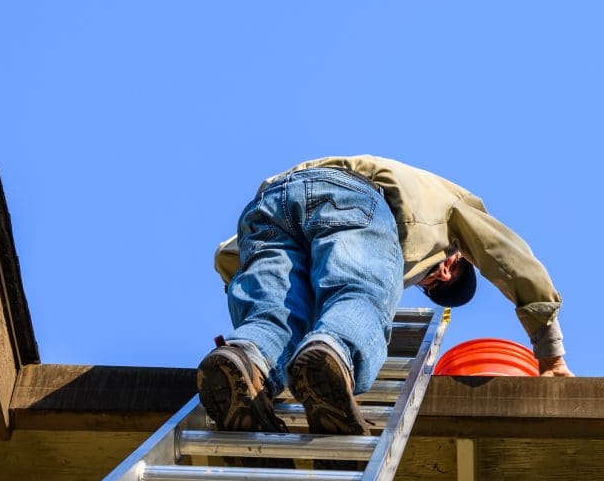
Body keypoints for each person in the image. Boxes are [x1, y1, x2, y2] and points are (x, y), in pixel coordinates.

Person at [196, 155, 572, 444]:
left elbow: (230, 259)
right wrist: (550, 354)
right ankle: (334, 353)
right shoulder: (454, 207)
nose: (439, 275)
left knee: (269, 317)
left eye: (431, 284)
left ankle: (248, 360)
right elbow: (507, 256)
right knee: (358, 295)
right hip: (352, 196)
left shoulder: (423, 250)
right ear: (458, 254)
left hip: (269, 204)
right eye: (450, 267)